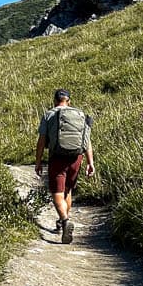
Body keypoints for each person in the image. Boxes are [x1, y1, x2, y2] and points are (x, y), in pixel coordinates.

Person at [35, 88, 95, 243]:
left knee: (57, 193)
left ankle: (65, 220)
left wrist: (38, 161)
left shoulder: (49, 114)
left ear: (55, 101)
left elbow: (41, 141)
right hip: (77, 157)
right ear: (69, 101)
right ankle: (63, 223)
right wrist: (90, 163)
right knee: (67, 191)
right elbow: (87, 142)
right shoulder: (80, 114)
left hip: (57, 157)